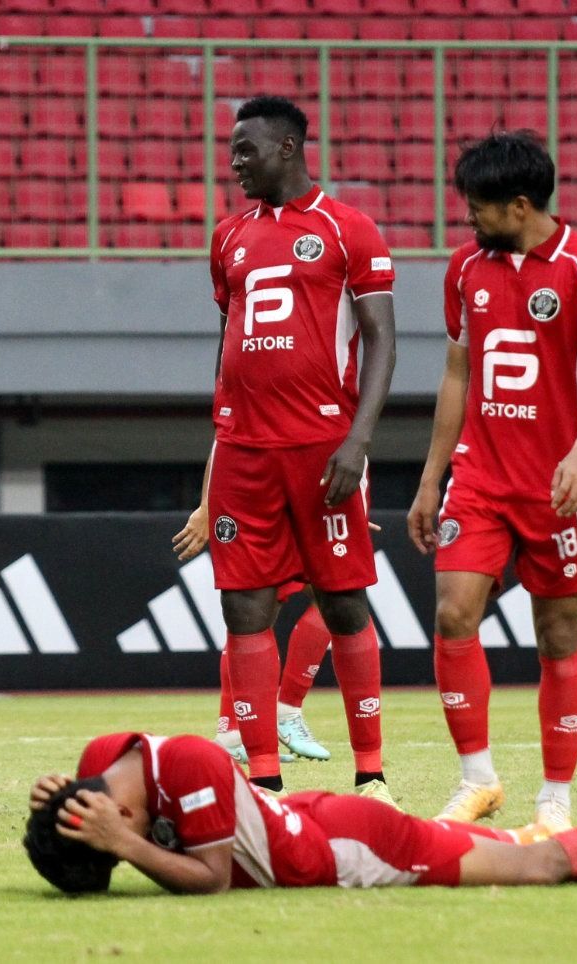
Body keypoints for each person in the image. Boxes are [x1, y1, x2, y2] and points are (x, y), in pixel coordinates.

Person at [406, 133, 577, 834]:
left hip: (559, 486)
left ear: (521, 205)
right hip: (480, 478)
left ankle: (555, 799)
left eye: (477, 208)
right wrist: (430, 479)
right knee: (451, 614)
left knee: (558, 633)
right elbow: (455, 375)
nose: (467, 220)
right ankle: (478, 780)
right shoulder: (465, 268)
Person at [190, 95, 396, 803]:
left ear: (286, 147)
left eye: (245, 150)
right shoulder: (228, 238)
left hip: (322, 446)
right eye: (231, 151)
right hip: (245, 450)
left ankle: (370, 776)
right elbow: (228, 338)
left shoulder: (348, 229)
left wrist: (358, 439)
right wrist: (220, 436)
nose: (235, 163)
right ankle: (266, 782)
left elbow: (382, 340)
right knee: (244, 610)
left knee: (342, 605)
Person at [23, 732, 577, 894]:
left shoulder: (185, 759)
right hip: (313, 816)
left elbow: (210, 879)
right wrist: (79, 813)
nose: (124, 848)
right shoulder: (102, 765)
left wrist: (124, 845)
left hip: (354, 849)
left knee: (539, 864)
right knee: (510, 843)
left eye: (114, 842)